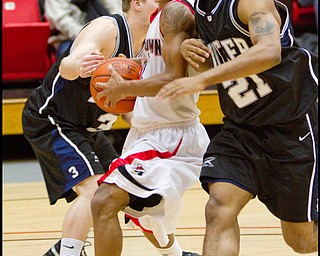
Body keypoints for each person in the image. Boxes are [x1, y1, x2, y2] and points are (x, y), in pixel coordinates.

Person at [156, 0, 318, 255]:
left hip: (290, 122)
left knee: (301, 241)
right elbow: (223, 61)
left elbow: (269, 52)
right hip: (241, 127)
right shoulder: (199, 10)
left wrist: (202, 79)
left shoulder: (249, 2)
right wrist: (194, 54)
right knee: (219, 207)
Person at [22, 1, 159, 255]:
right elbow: (68, 65)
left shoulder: (153, 42)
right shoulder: (107, 29)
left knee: (133, 190)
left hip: (90, 128)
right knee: (93, 190)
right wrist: (80, 66)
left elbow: (127, 106)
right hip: (53, 118)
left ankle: (173, 252)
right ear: (138, 3)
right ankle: (68, 253)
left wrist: (152, 131)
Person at [90, 0, 210, 255]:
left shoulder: (175, 12)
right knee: (146, 217)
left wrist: (125, 88)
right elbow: (156, 65)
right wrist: (131, 68)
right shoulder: (158, 15)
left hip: (170, 136)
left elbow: (173, 78)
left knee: (104, 202)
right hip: (147, 132)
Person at [44, 0, 116, 58]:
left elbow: (116, 10)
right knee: (72, 57)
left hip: (106, 36)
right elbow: (63, 22)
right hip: (68, 39)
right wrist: (90, 36)